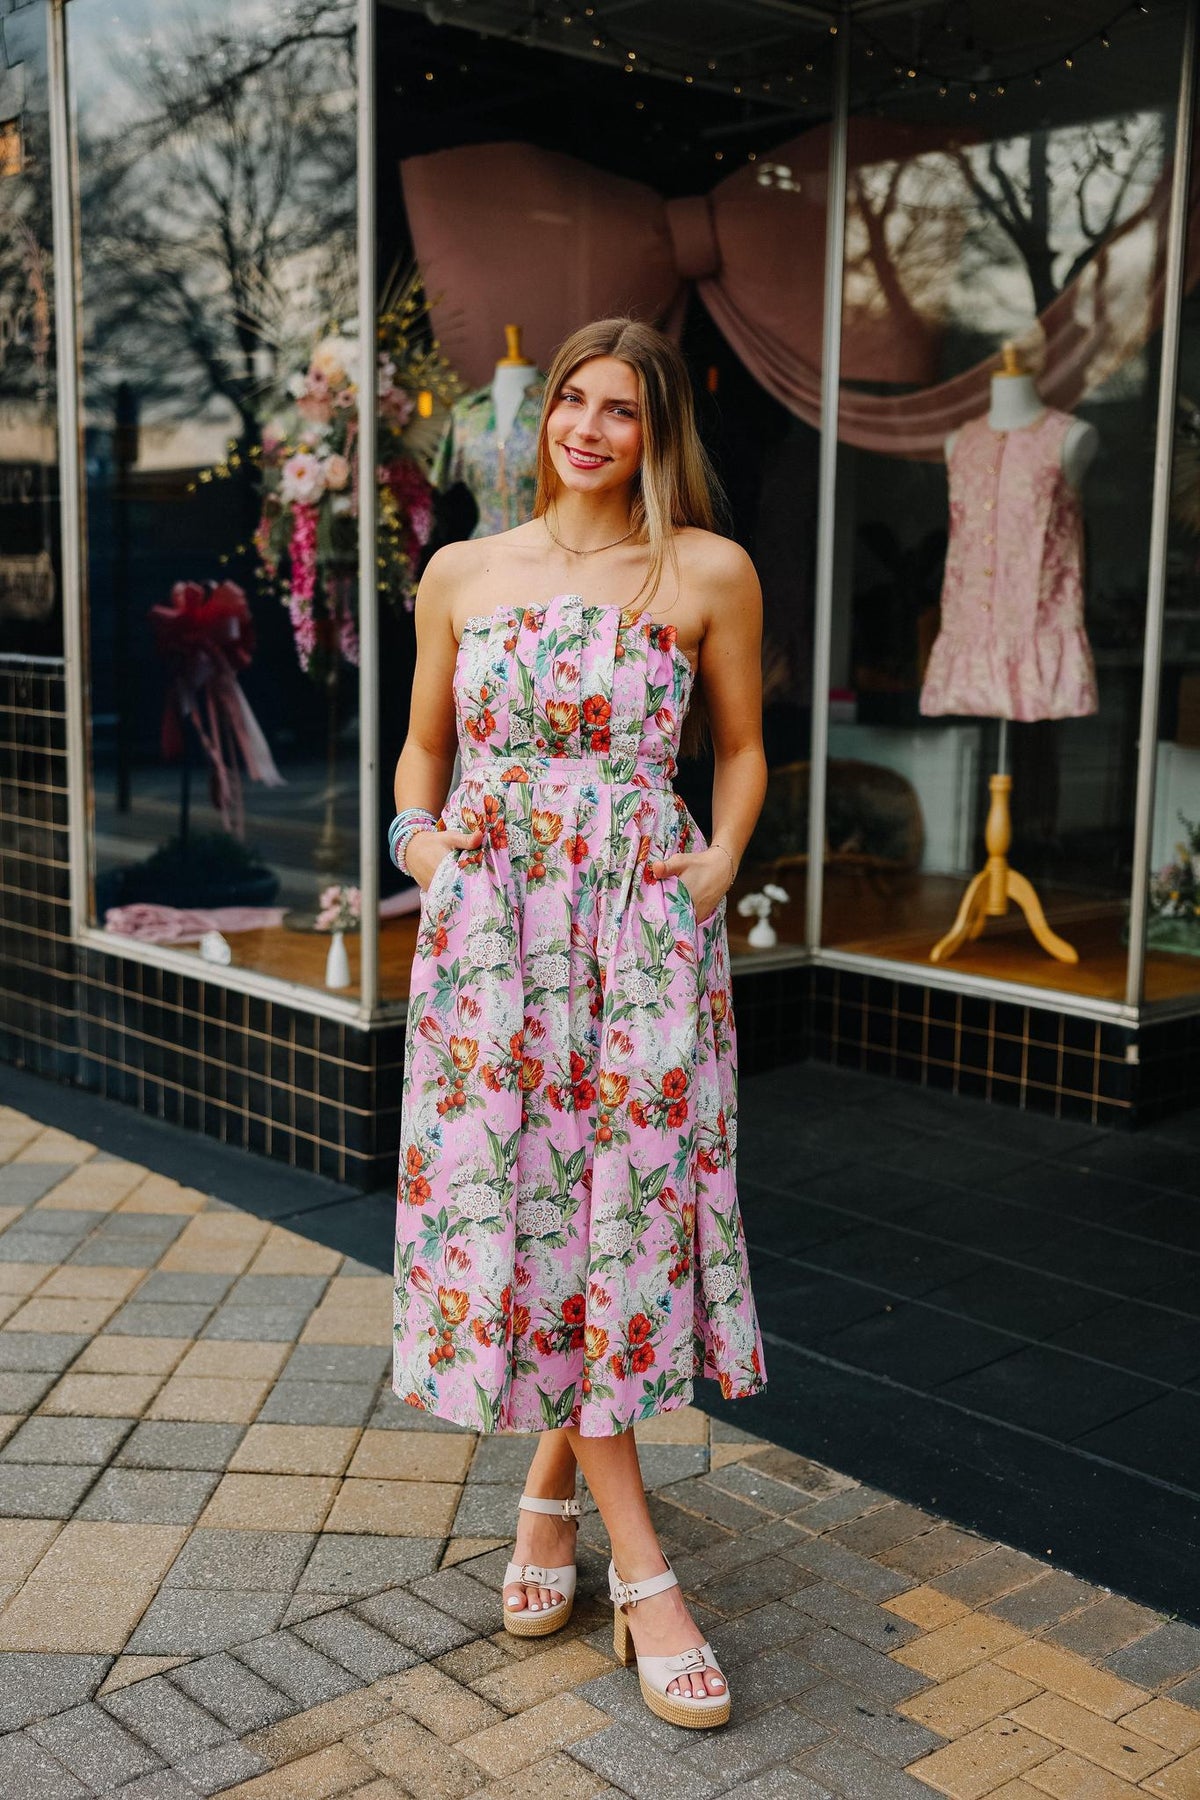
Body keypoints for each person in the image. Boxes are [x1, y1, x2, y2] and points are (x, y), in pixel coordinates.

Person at [388, 317, 767, 1729]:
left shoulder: (706, 572)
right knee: (534, 1214)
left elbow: (739, 749)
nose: (588, 428)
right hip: (494, 947)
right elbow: (426, 742)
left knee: (618, 1215)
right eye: (570, 400)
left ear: (657, 433)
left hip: (640, 935)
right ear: (542, 415)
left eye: (621, 409)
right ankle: (640, 1566)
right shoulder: (462, 572)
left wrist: (722, 857)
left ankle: (561, 1502)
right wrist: (420, 850)